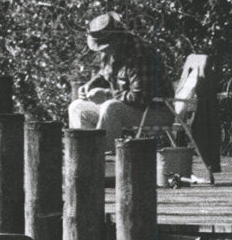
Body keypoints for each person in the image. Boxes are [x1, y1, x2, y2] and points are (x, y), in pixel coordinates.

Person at [68, 12, 175, 152]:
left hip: (157, 111)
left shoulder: (140, 54)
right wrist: (90, 85)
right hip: (128, 108)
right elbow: (104, 73)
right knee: (77, 107)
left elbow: (140, 98)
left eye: (104, 46)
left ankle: (105, 160)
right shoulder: (110, 52)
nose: (102, 50)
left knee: (111, 107)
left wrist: (106, 95)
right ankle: (84, 155)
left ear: (117, 39)